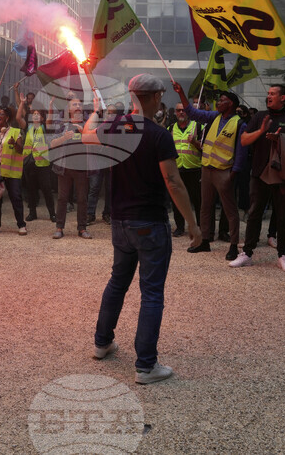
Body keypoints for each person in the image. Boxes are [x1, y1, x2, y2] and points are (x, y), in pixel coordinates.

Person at [91, 74, 199, 384]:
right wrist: (192, 224)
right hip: (149, 222)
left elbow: (87, 134)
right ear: (152, 97)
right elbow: (174, 181)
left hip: (121, 221)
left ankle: (102, 342)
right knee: (151, 293)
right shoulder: (159, 135)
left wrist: (99, 115)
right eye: (160, 95)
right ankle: (146, 366)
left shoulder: (117, 127)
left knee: (117, 282)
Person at [233, 84, 285, 272]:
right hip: (259, 172)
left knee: (282, 215)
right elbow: (243, 140)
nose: (269, 96)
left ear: (283, 97)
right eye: (268, 93)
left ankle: (283, 254)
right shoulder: (259, 117)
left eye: (273, 94)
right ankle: (247, 253)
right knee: (254, 212)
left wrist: (282, 139)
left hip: (282, 175)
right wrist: (261, 132)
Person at [171, 82, 246, 259]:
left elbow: (241, 154)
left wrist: (233, 175)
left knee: (230, 210)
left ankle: (234, 245)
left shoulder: (239, 124)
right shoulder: (214, 117)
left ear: (231, 104)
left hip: (224, 172)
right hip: (207, 169)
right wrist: (181, 92)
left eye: (222, 100)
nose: (218, 103)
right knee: (205, 207)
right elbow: (192, 112)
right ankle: (204, 241)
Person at [0, 104, 28, 234]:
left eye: (1, 114)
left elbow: (20, 151)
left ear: (7, 117)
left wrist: (14, 143)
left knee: (16, 197)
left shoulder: (15, 131)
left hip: (11, 170)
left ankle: (21, 225)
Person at [51, 96, 91, 239]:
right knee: (62, 198)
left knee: (82, 199)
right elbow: (52, 143)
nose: (78, 106)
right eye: (74, 104)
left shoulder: (87, 125)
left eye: (80, 104)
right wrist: (63, 137)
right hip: (64, 167)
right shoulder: (62, 125)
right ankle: (59, 227)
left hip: (81, 168)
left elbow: (97, 144)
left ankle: (82, 228)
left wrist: (84, 134)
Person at [170, 102, 202, 238]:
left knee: (197, 200)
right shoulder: (170, 128)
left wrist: (195, 142)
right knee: (177, 200)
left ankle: (200, 227)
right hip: (177, 170)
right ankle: (180, 227)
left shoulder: (198, 126)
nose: (181, 113)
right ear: (175, 113)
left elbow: (207, 148)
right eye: (178, 110)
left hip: (194, 169)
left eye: (183, 110)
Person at [22, 106, 56, 223]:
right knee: (31, 190)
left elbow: (50, 121)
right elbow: (18, 117)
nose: (35, 115)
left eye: (38, 114)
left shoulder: (44, 127)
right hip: (29, 163)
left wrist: (50, 106)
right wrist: (22, 103)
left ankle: (52, 213)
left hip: (43, 163)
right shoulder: (29, 128)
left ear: (42, 118)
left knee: (46, 189)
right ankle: (32, 213)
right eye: (34, 114)